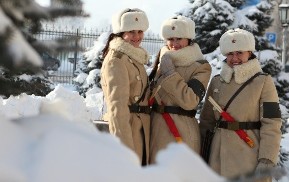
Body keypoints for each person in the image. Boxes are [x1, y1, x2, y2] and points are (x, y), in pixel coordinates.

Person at [199, 28, 281, 181]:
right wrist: (200, 155)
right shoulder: (217, 81)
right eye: (230, 53)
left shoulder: (263, 81)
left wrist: (267, 160)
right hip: (217, 158)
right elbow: (206, 122)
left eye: (239, 53)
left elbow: (272, 123)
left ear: (249, 53)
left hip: (248, 157)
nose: (234, 58)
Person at [148, 16, 212, 164]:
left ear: (189, 39)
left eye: (179, 39)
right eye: (171, 39)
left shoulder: (201, 66)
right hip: (155, 130)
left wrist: (170, 74)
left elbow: (190, 101)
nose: (174, 44)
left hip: (181, 133)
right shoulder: (164, 60)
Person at [100, 8, 151, 166]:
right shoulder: (117, 60)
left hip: (140, 130)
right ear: (121, 33)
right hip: (128, 133)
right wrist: (124, 149)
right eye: (131, 32)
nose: (137, 37)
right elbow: (117, 107)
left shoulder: (133, 56)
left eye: (140, 31)